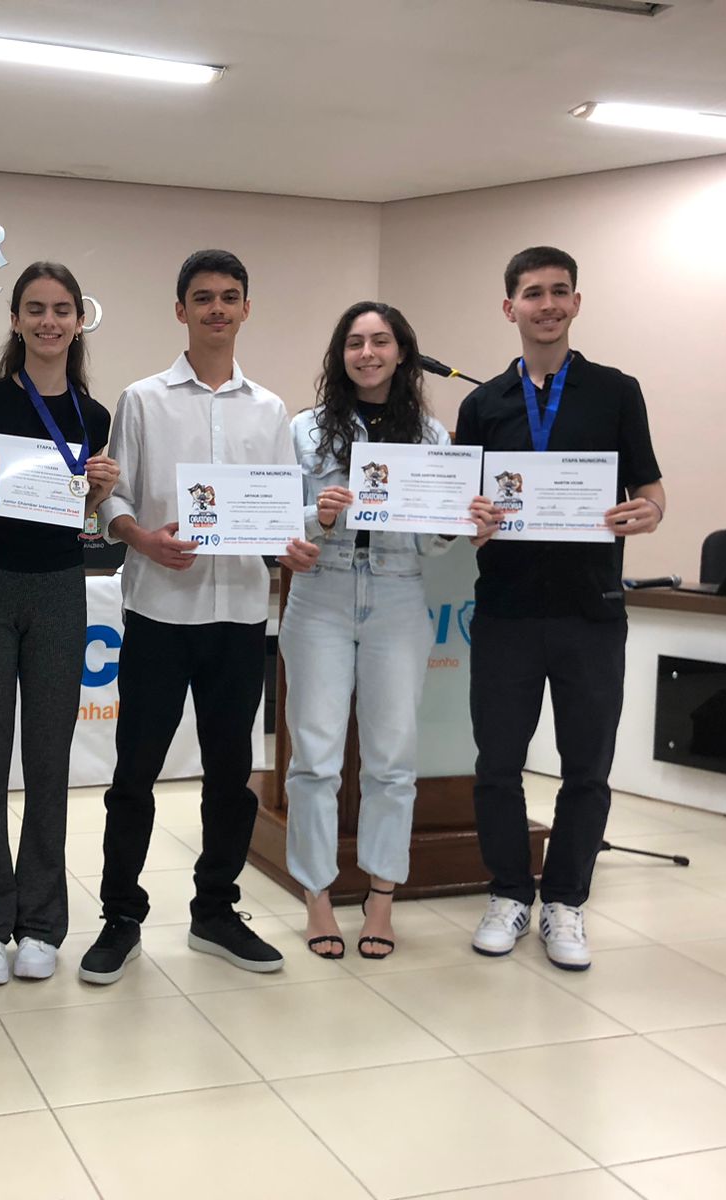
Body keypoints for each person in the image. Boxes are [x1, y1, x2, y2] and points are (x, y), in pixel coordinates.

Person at [82, 249, 320, 985]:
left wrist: (292, 545)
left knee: (230, 774)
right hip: (159, 611)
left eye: (230, 297)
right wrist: (139, 537)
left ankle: (215, 911)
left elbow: (281, 510)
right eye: (203, 298)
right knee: (134, 775)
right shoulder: (142, 399)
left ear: (247, 309)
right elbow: (109, 500)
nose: (217, 309)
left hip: (240, 615)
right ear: (180, 311)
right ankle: (121, 917)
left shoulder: (271, 409)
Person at [454, 245, 664, 971]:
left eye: (559, 292)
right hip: (507, 610)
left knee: (586, 770)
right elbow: (461, 508)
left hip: (591, 611)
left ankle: (567, 903)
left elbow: (652, 490)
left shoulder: (616, 391)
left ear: (576, 303)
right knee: (497, 766)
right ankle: (509, 893)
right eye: (532, 293)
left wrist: (647, 514)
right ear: (508, 307)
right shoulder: (482, 403)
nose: (546, 305)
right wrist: (470, 518)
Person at [281, 302, 497, 961]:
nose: (367, 352)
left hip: (400, 595)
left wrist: (462, 527)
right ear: (339, 355)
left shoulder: (431, 437)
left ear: (402, 352)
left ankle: (380, 899)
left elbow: (435, 544)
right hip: (320, 595)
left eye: (380, 341)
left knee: (392, 760)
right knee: (315, 758)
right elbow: (273, 521)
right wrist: (313, 516)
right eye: (354, 342)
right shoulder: (304, 431)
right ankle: (317, 895)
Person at [0, 261, 117, 986]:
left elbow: (83, 513)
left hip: (58, 587)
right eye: (34, 309)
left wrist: (101, 492)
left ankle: (43, 923)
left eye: (62, 310)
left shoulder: (94, 415)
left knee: (50, 764)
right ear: (15, 320)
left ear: (80, 321)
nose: (49, 321)